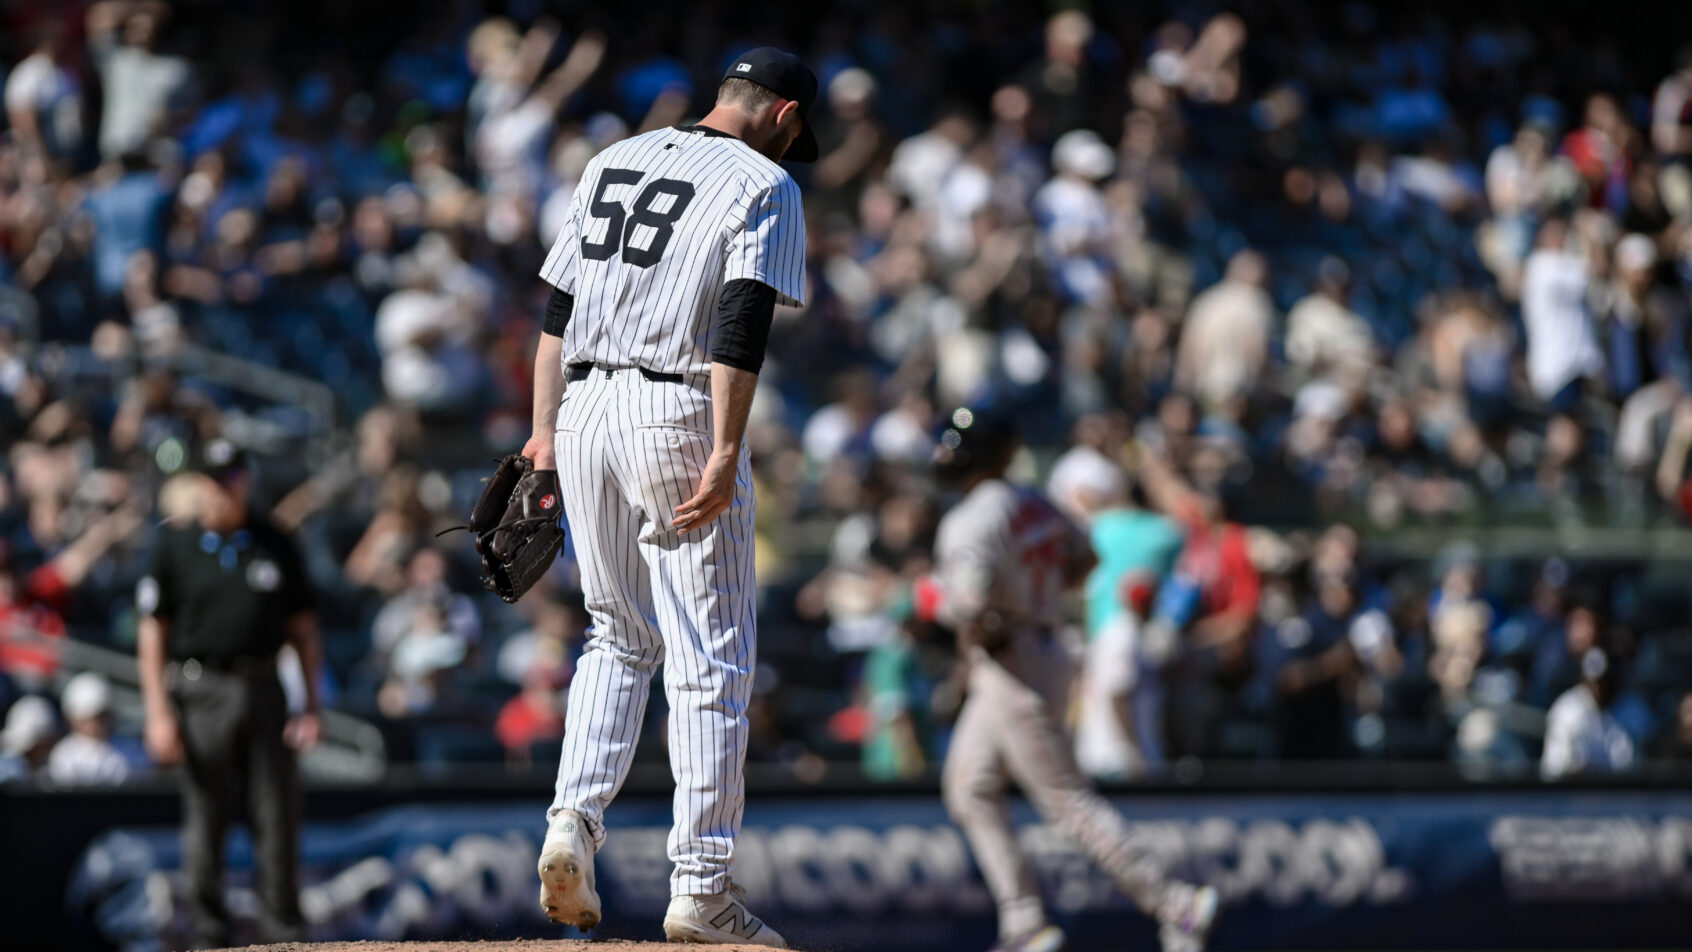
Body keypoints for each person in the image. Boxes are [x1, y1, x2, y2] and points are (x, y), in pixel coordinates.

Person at [520, 48, 814, 946]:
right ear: (785, 114)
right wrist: (726, 445)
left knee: (617, 633)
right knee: (711, 660)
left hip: (583, 405)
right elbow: (740, 320)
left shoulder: (615, 156)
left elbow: (554, 316)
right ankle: (702, 886)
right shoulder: (765, 181)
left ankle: (571, 819)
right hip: (677, 406)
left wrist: (541, 438)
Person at [932, 407, 1218, 952]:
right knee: (969, 788)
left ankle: (1175, 904)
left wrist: (966, 614)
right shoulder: (1036, 500)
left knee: (1067, 803)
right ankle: (1024, 923)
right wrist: (1036, 595)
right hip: (1040, 644)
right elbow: (1086, 561)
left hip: (1011, 657)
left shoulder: (970, 519)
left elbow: (970, 608)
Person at [135, 440, 324, 948]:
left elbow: (303, 630)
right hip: (200, 689)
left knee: (276, 815)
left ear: (246, 481)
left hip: (265, 686)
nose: (224, 490)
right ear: (200, 485)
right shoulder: (175, 546)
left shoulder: (274, 541)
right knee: (205, 816)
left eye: (233, 479)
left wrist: (311, 703)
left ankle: (283, 932)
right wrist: (157, 713)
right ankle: (208, 934)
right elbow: (153, 633)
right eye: (215, 480)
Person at [47, 672, 131, 786]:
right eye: (92, 718)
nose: (99, 723)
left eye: (103, 716)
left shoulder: (123, 751)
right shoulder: (63, 754)